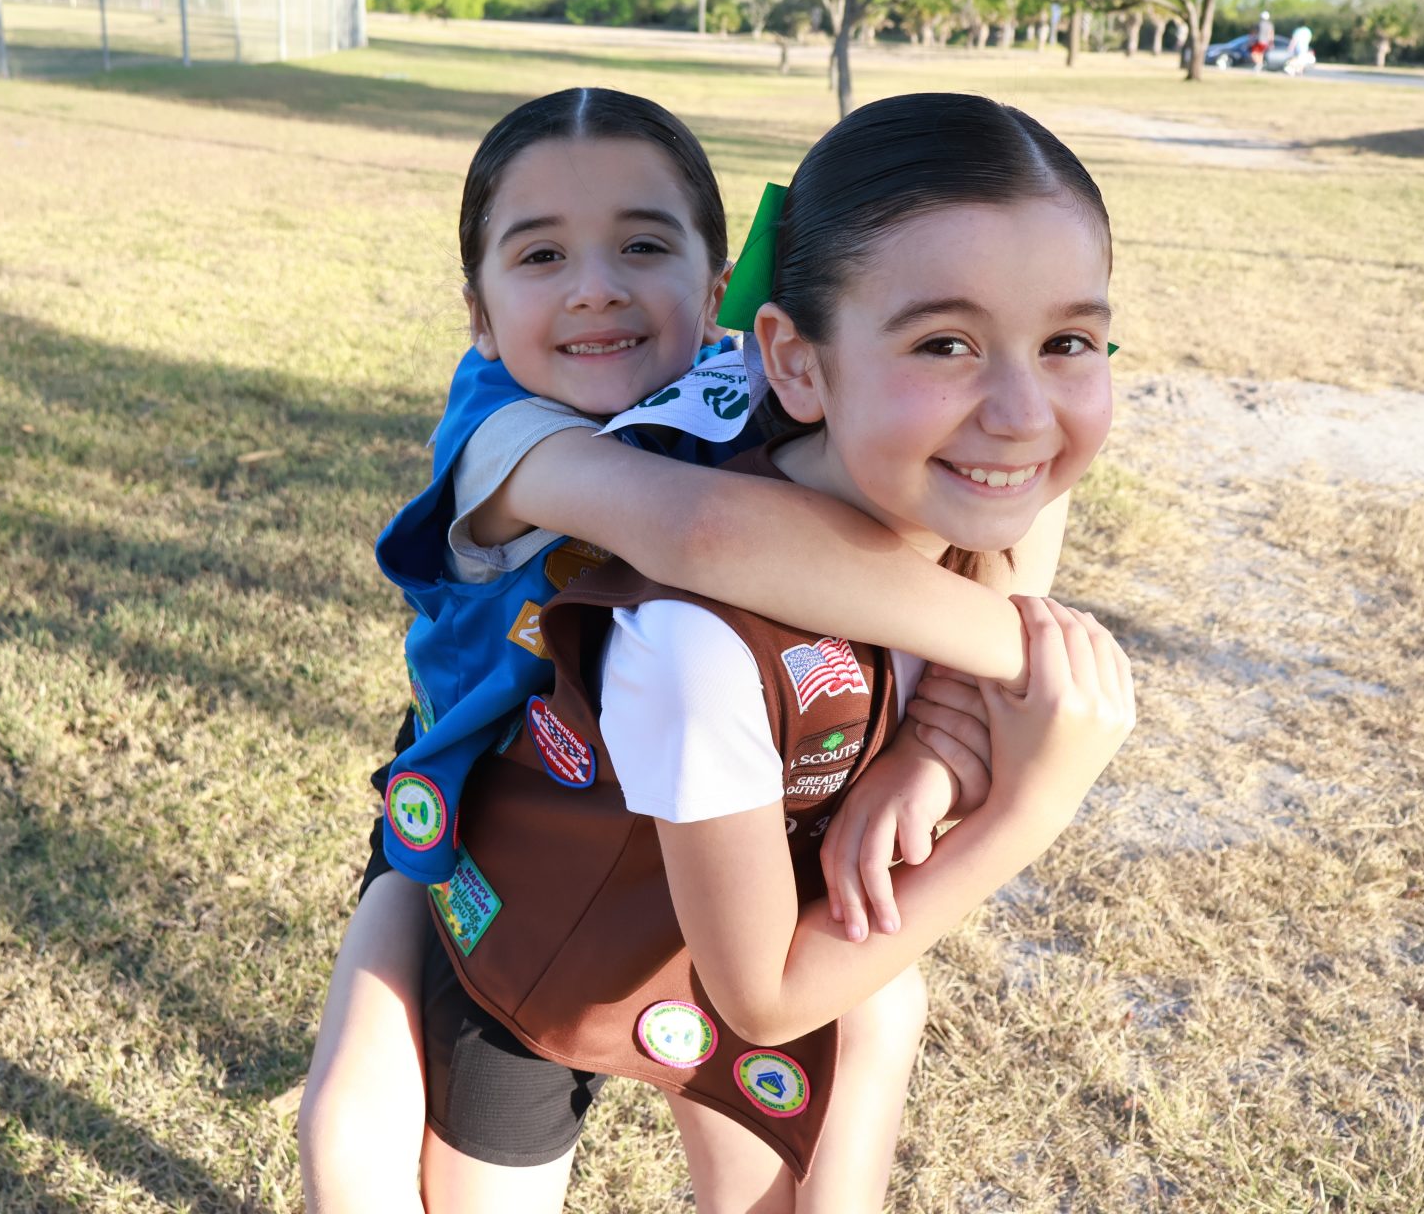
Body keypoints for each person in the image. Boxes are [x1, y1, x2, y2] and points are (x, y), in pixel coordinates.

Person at [298, 89, 1089, 1212]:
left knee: (862, 1018)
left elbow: (1015, 481)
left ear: (720, 289)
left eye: (643, 243)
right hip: (488, 798)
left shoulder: (753, 374)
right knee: (371, 1069)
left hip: (712, 827)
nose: (597, 285)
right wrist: (1026, 653)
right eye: (542, 254)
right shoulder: (504, 433)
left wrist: (939, 741)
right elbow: (701, 533)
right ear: (476, 310)